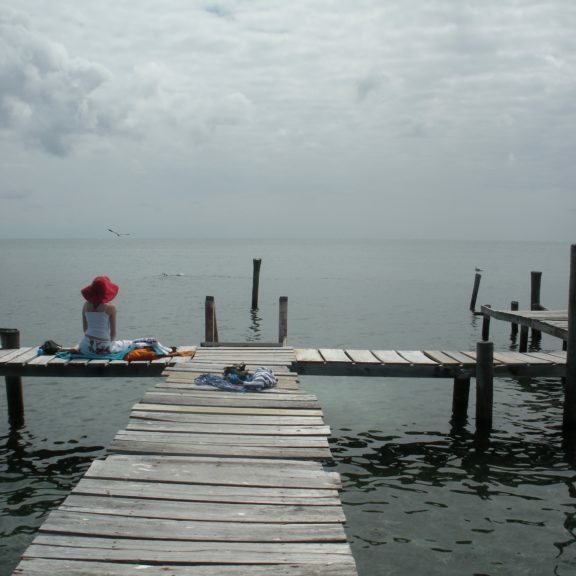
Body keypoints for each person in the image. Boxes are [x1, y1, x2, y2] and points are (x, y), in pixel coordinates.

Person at [77, 276, 132, 355]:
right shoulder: (110, 307)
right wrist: (110, 344)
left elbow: (85, 329)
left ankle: (77, 347)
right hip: (103, 348)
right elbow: (113, 333)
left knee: (82, 342)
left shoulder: (85, 305)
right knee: (128, 344)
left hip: (86, 346)